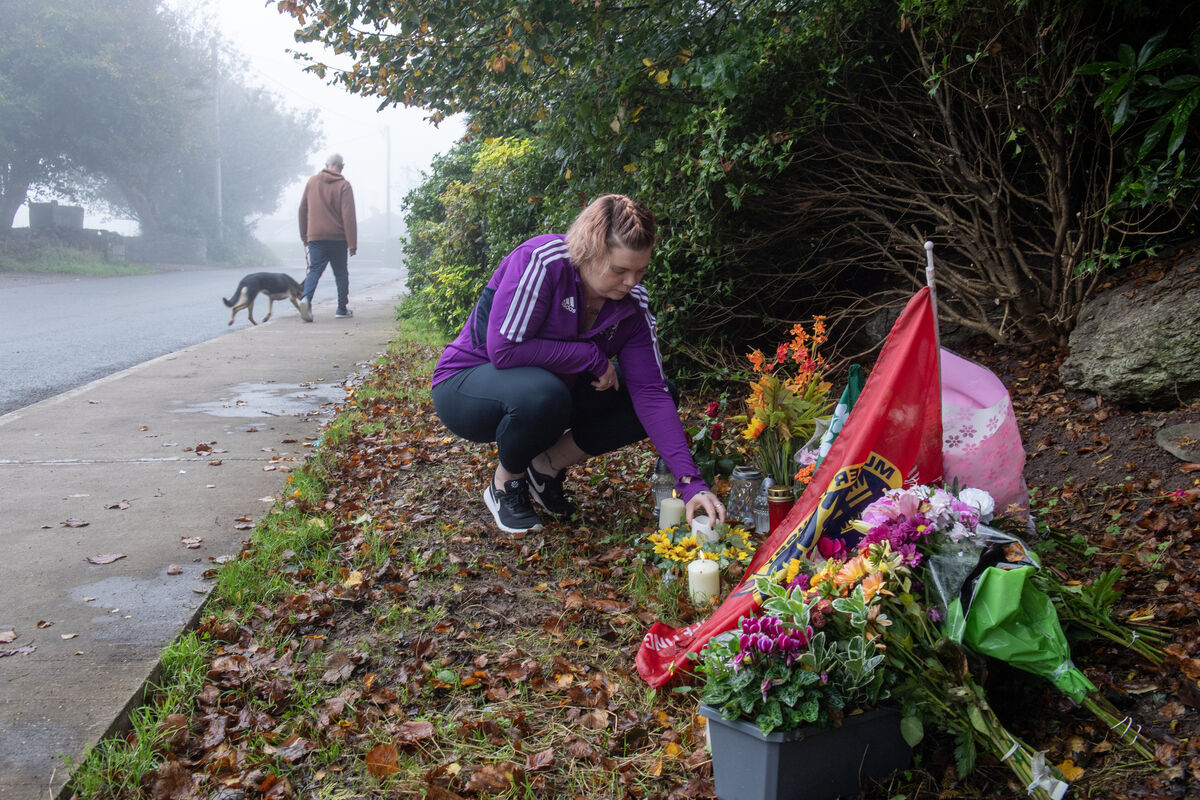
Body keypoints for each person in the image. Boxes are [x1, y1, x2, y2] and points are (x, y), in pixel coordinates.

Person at [431, 194, 726, 534]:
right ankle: (505, 484)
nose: (632, 281)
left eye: (640, 270)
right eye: (619, 270)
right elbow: (504, 350)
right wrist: (588, 356)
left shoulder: (633, 304)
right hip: (466, 385)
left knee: (659, 392)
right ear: (590, 249)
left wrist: (692, 484)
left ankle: (544, 469)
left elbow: (652, 393)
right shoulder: (543, 261)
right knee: (545, 393)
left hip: (552, 392)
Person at [298, 153, 357, 321]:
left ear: (326, 164)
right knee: (340, 273)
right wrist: (352, 244)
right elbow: (348, 216)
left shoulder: (312, 182)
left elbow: (302, 209)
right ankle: (341, 309)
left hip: (315, 237)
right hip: (338, 238)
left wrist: (304, 236)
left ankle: (306, 299)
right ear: (342, 166)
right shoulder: (344, 185)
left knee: (314, 270)